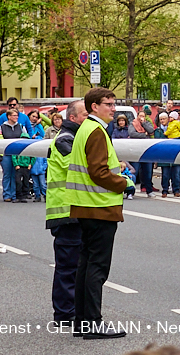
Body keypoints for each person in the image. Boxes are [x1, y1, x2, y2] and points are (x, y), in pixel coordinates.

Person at [66, 87, 128, 340]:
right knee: (97, 268)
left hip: (86, 204)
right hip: (99, 206)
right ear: (94, 106)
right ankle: (93, 323)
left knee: (86, 265)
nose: (113, 109)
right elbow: (99, 172)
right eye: (108, 104)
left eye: (114, 104)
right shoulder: (97, 131)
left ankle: (82, 322)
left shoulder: (86, 128)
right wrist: (123, 183)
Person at [47, 100, 86, 327]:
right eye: (85, 115)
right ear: (73, 118)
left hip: (73, 210)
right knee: (68, 266)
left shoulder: (74, 137)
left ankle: (71, 310)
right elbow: (79, 168)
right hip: (66, 211)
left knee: (75, 265)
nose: (88, 118)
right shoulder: (65, 140)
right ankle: (64, 313)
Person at [0, 108, 25, 202]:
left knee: (15, 174)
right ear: (9, 117)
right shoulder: (2, 127)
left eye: (17, 115)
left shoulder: (21, 126)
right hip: (6, 153)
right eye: (14, 115)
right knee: (7, 174)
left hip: (17, 154)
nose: (16, 117)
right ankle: (6, 194)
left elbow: (24, 138)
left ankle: (14, 194)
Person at [128, 111, 155, 198]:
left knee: (148, 172)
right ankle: (130, 192)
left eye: (143, 116)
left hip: (147, 151)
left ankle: (149, 191)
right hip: (136, 151)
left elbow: (151, 131)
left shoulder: (147, 123)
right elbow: (132, 133)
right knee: (134, 171)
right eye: (140, 116)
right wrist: (144, 134)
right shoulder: (133, 124)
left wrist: (144, 124)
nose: (141, 117)